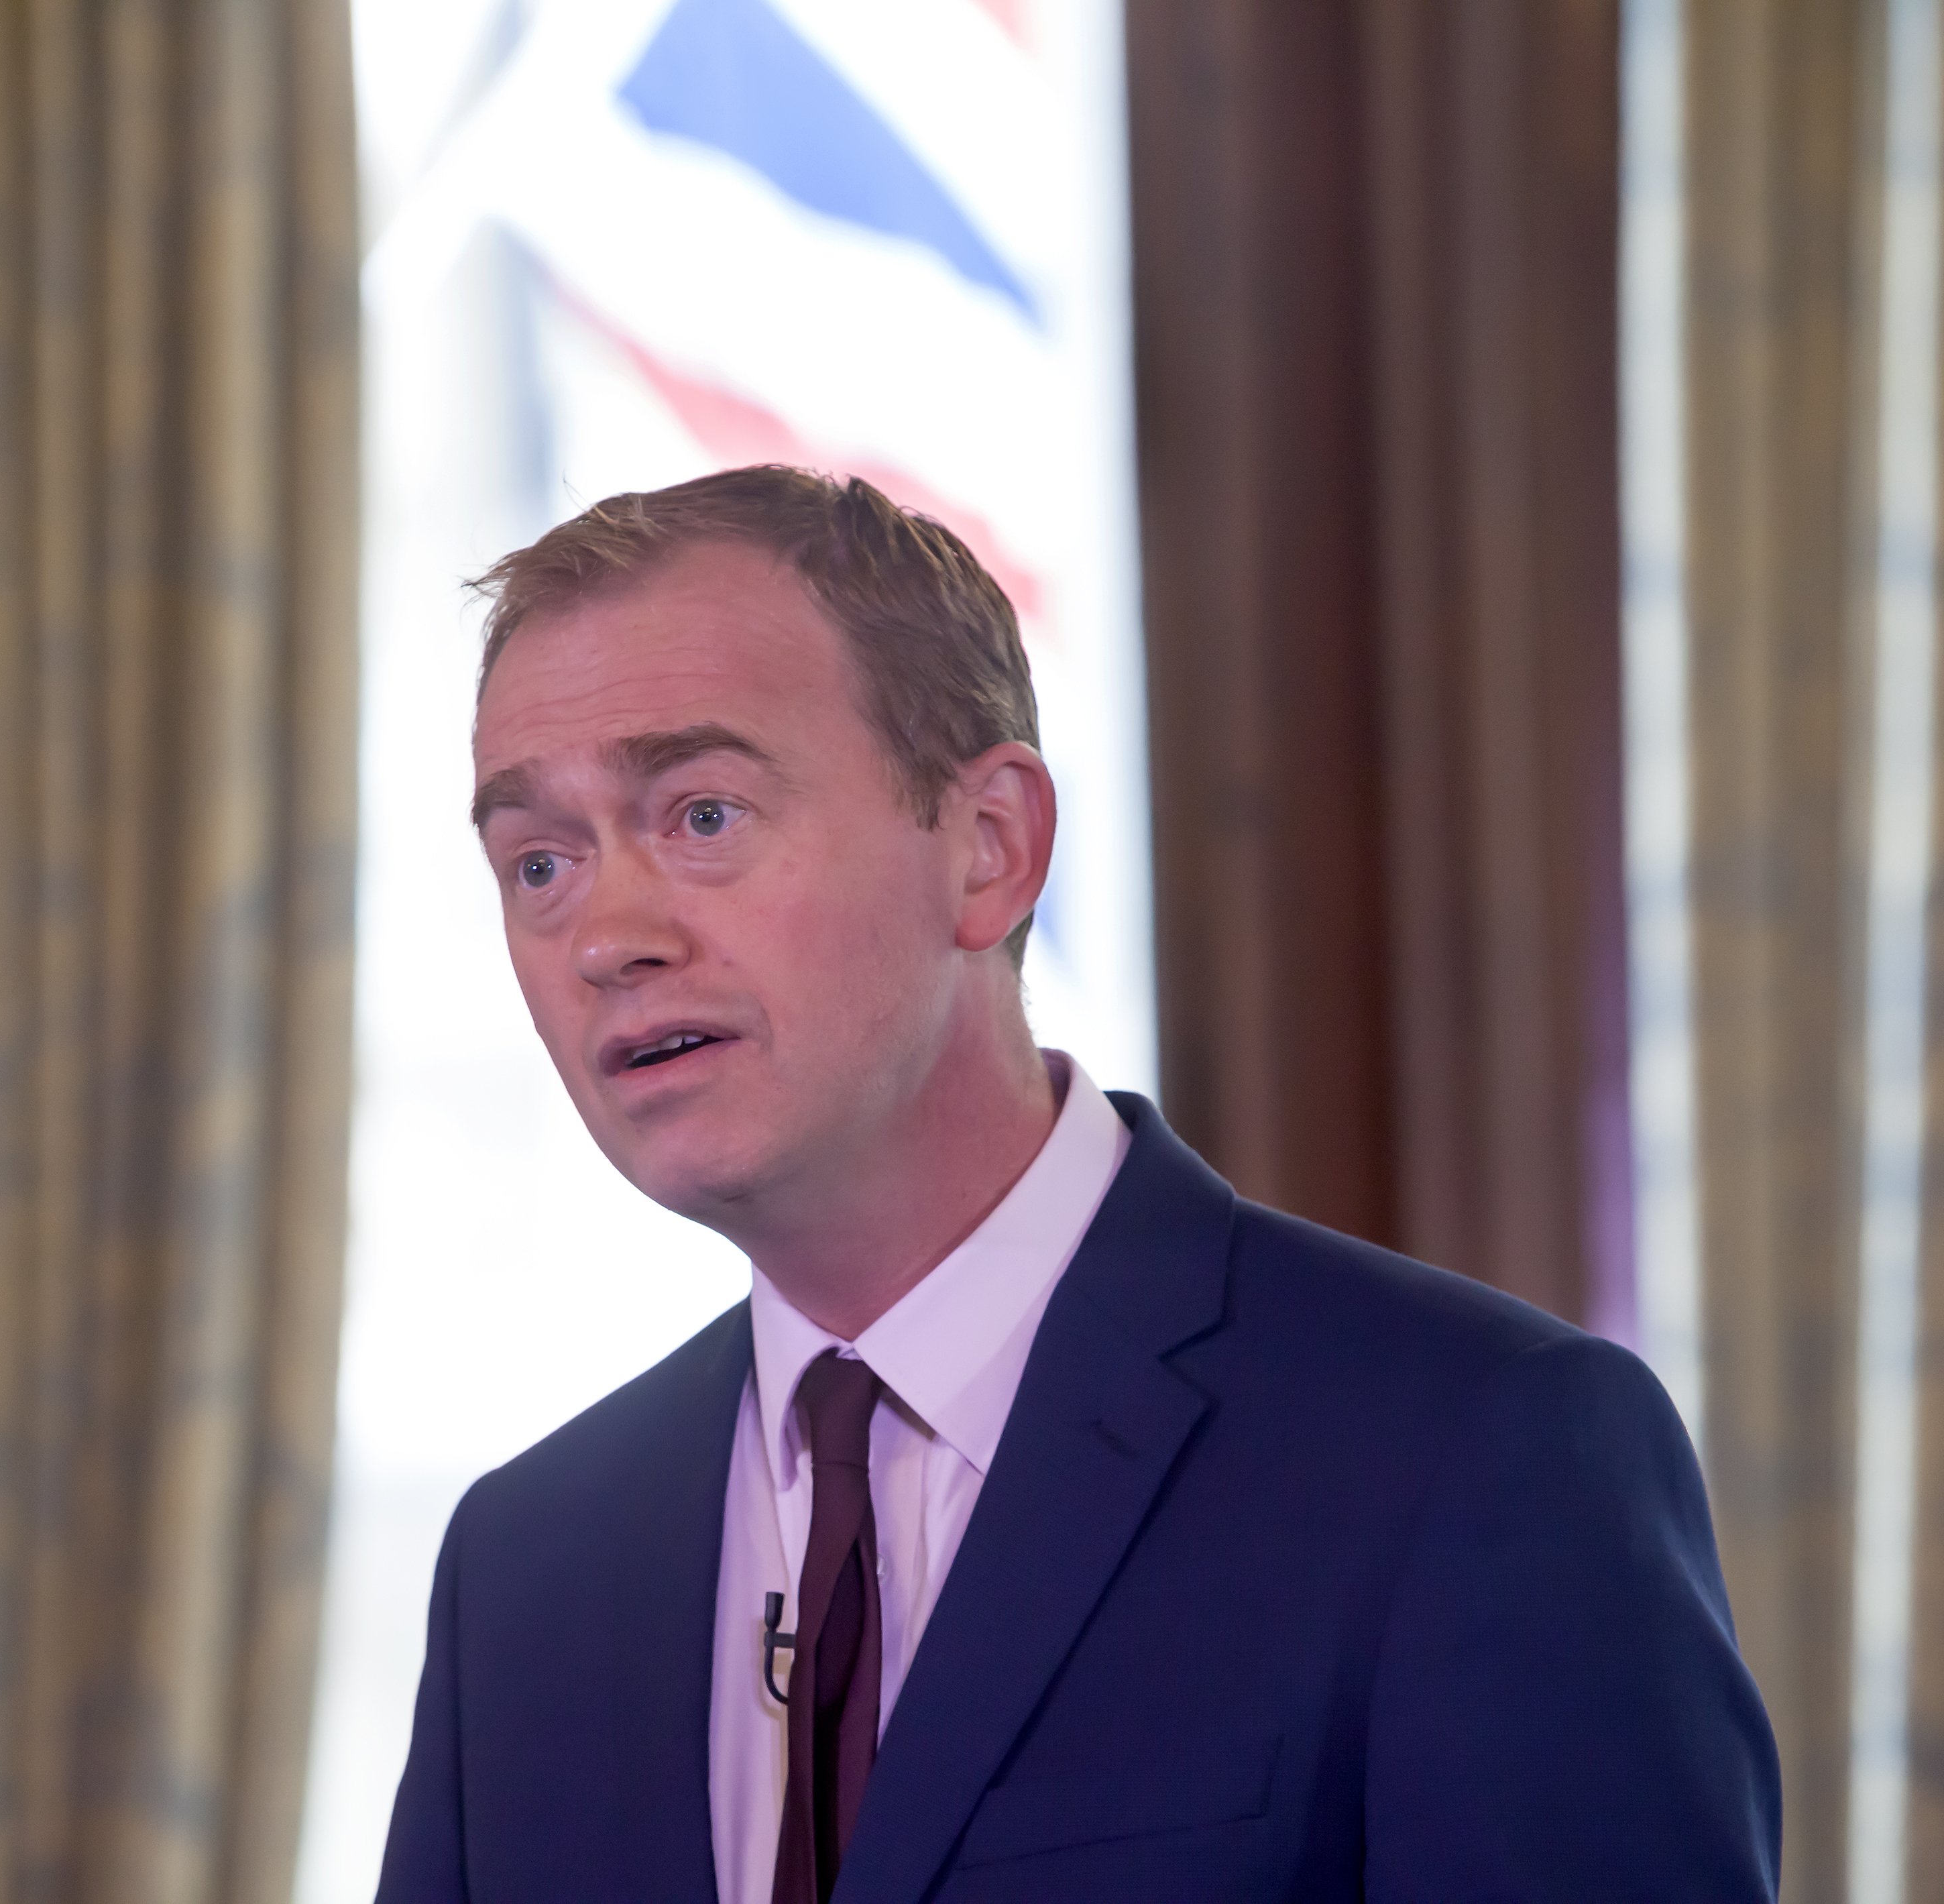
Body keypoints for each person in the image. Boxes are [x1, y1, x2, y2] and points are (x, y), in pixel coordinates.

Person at [375, 465, 1780, 1903]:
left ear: (991, 850)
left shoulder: (1474, 1454)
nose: (606, 932)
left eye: (704, 815)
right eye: (538, 861)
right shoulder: (524, 1578)